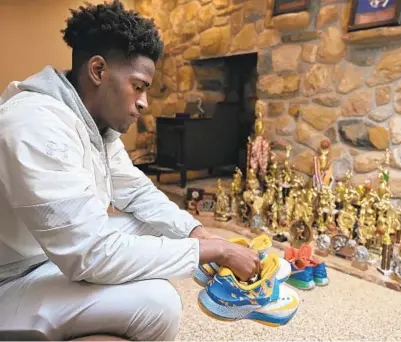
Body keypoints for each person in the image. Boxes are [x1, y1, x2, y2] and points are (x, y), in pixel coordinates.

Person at [0, 1, 261, 341]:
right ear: (98, 71)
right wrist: (214, 252)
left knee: (155, 227)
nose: (143, 103)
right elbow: (89, 254)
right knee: (158, 304)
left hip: (49, 255)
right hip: (12, 277)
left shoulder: (91, 122)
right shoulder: (35, 124)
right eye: (138, 86)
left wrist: (196, 233)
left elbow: (137, 192)